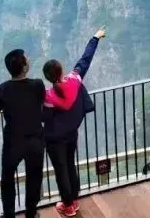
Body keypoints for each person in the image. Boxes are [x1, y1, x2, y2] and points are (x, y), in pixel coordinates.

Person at [0, 49, 46, 218]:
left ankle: (9, 214)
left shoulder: (2, 90)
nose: (29, 59)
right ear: (24, 66)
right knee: (34, 177)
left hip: (14, 141)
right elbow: (36, 105)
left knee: (8, 179)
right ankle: (31, 213)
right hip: (35, 139)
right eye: (26, 58)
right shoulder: (38, 85)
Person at [42, 27, 105, 217]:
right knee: (70, 165)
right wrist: (95, 38)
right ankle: (73, 199)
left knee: (61, 170)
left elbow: (46, 118)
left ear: (47, 77)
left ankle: (68, 205)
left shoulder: (48, 97)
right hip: (71, 134)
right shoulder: (74, 80)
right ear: (61, 70)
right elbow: (85, 60)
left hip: (55, 139)